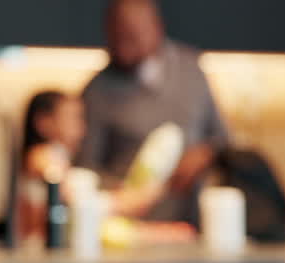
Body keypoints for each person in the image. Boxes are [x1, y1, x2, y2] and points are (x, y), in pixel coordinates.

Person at [75, 0, 230, 224]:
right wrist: (121, 194)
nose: (123, 47)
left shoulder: (191, 71)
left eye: (131, 36)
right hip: (129, 226)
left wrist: (203, 155)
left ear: (156, 28)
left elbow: (222, 140)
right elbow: (85, 170)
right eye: (115, 37)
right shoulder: (97, 92)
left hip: (189, 224)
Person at [16, 90, 163, 244]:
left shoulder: (59, 157)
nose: (82, 128)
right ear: (44, 123)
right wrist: (125, 202)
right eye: (73, 118)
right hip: (36, 248)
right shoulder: (41, 156)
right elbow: (74, 200)